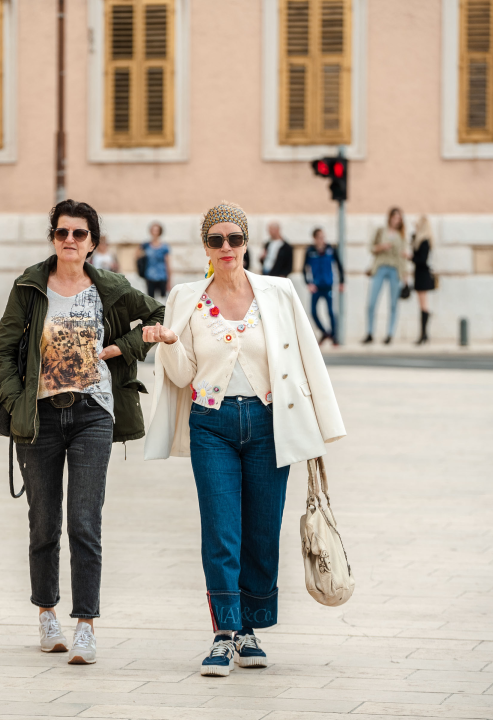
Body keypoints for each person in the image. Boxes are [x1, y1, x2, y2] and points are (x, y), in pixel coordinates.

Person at [142, 202, 346, 678]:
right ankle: (223, 634)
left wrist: (324, 424)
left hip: (269, 424)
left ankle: (249, 629)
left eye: (234, 239)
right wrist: (169, 346)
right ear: (206, 247)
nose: (226, 247)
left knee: (261, 531)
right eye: (216, 240)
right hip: (210, 424)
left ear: (247, 242)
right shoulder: (186, 297)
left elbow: (307, 355)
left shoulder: (277, 292)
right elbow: (183, 375)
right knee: (221, 529)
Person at [0, 199, 164, 666]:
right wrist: (16, 402)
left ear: (92, 243)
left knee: (85, 522)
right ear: (53, 237)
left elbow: (159, 315)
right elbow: (2, 352)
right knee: (44, 522)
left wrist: (122, 347)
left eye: (79, 234)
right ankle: (47, 615)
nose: (70, 240)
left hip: (93, 414)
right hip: (40, 418)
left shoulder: (110, 287)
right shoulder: (29, 287)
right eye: (62, 232)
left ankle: (86, 625)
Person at [363, 207, 407, 345]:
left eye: (399, 218)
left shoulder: (401, 235)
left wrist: (405, 276)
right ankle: (370, 333)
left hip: (395, 269)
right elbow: (371, 248)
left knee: (393, 304)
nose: (396, 220)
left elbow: (402, 257)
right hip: (380, 267)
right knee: (372, 302)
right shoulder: (381, 231)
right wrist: (382, 247)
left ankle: (390, 334)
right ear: (390, 218)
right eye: (395, 217)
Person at [303, 227, 346, 345]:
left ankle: (334, 337)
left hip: (328, 285)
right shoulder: (310, 251)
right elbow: (304, 268)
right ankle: (325, 333)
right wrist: (308, 283)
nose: (322, 239)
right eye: (320, 237)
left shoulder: (330, 249)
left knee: (330, 312)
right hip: (316, 287)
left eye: (323, 237)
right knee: (313, 312)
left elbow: (339, 266)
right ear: (315, 238)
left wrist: (341, 282)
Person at [411, 215, 436, 345]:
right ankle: (424, 334)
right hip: (420, 274)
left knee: (423, 306)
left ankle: (424, 334)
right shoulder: (421, 240)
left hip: (422, 274)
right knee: (422, 305)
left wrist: (410, 257)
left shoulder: (424, 242)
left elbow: (421, 260)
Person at [137, 221, 172, 298]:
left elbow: (167, 264)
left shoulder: (164, 247)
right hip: (149, 276)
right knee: (150, 299)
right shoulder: (146, 245)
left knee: (162, 299)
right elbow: (137, 256)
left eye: (157, 230)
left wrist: (169, 281)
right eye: (153, 230)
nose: (155, 232)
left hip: (162, 276)